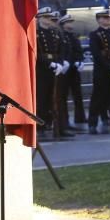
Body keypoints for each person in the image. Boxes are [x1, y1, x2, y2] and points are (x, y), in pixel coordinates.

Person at [35, 7, 69, 137]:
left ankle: (59, 127)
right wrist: (50, 63)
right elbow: (36, 52)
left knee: (57, 98)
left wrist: (60, 63)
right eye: (46, 17)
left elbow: (61, 49)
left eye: (50, 17)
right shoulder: (36, 33)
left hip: (56, 69)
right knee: (42, 99)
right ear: (40, 18)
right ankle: (41, 127)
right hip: (43, 70)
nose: (49, 20)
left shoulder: (55, 32)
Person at [58, 14, 86, 129]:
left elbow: (78, 51)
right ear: (63, 24)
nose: (71, 24)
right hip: (65, 70)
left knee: (78, 94)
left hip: (74, 69)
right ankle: (65, 121)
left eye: (71, 22)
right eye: (68, 22)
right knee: (63, 96)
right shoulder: (62, 36)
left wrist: (80, 60)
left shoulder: (74, 36)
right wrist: (66, 62)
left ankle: (80, 117)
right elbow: (63, 52)